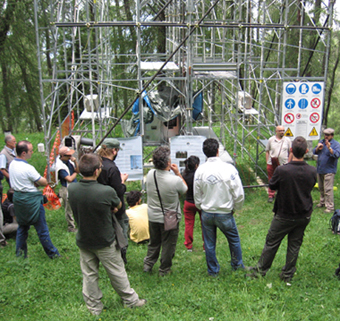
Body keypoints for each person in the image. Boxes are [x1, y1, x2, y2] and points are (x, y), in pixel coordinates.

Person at [68, 154, 146, 315]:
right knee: (117, 271)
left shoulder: (72, 189)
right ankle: (130, 300)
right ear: (97, 171)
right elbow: (117, 204)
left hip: (84, 239)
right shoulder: (106, 191)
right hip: (105, 240)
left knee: (89, 274)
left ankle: (94, 307)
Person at [247, 136, 317, 282]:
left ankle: (260, 270)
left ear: (291, 150)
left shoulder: (282, 170)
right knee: (294, 244)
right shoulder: (312, 171)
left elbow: (272, 185)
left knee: (272, 242)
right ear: (306, 151)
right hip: (303, 214)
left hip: (284, 214)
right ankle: (287, 274)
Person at [194, 138, 245, 276]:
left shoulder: (200, 171)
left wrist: (201, 207)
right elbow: (239, 193)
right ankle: (237, 265)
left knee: (209, 244)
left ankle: (213, 271)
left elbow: (196, 194)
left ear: (204, 152)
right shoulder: (229, 168)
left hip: (207, 212)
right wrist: (236, 207)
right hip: (224, 212)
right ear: (218, 151)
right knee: (233, 240)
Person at [9, 140, 60, 259]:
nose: (32, 153)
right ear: (23, 153)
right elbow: (42, 182)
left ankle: (20, 255)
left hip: (19, 199)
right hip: (31, 201)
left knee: (22, 227)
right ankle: (53, 254)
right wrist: (47, 179)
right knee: (42, 230)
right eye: (30, 151)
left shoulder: (12, 164)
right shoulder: (28, 168)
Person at [143, 146, 187, 276]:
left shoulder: (151, 174)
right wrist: (178, 173)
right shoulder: (174, 180)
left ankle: (148, 264)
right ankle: (164, 269)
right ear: (168, 162)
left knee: (154, 242)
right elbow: (184, 189)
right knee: (168, 244)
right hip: (170, 217)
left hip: (152, 215)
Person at [97, 138, 129, 264]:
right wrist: (122, 181)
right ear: (114, 151)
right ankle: (121, 258)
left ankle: (106, 258)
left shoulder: (98, 164)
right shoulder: (112, 168)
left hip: (102, 206)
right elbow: (118, 190)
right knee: (121, 232)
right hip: (116, 208)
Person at [313, 128, 340, 213]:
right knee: (321, 187)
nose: (326, 137)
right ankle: (322, 202)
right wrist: (318, 148)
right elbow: (314, 152)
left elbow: (336, 155)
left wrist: (329, 148)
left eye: (328, 135)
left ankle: (330, 206)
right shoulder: (321, 142)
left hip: (329, 170)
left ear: (332, 135)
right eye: (325, 135)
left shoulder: (336, 144)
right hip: (320, 168)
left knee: (328, 189)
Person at [182, 155, 204, 252]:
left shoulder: (184, 175)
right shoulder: (200, 176)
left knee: (189, 224)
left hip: (188, 203)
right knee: (205, 225)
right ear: (196, 165)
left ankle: (188, 245)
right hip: (200, 202)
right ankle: (205, 246)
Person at [265, 125, 292, 203]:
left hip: (283, 163)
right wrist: (267, 162)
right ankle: (271, 195)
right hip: (272, 162)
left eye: (283, 130)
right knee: (272, 178)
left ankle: (282, 194)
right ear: (276, 131)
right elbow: (267, 151)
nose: (282, 132)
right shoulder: (271, 140)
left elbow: (290, 152)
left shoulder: (287, 140)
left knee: (283, 179)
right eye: (280, 131)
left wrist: (289, 162)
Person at [55, 146, 79, 232]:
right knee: (68, 208)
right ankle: (71, 227)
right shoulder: (60, 166)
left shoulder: (70, 162)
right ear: (62, 156)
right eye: (68, 155)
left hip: (74, 187)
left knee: (76, 206)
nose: (70, 157)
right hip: (66, 188)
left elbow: (78, 170)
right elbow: (69, 179)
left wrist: (75, 162)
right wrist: (76, 173)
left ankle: (77, 223)